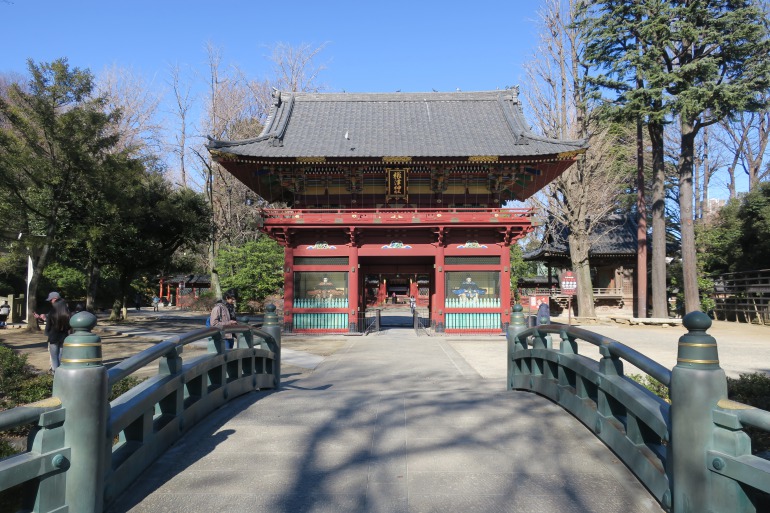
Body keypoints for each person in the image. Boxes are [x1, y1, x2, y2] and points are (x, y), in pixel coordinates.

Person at [45, 291, 70, 372]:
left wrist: (47, 333)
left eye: (50, 300)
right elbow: (69, 326)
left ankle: (55, 373)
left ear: (55, 299)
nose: (50, 302)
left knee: (54, 357)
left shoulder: (52, 313)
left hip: (53, 337)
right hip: (64, 336)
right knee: (61, 357)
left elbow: (48, 326)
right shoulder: (67, 313)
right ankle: (62, 373)